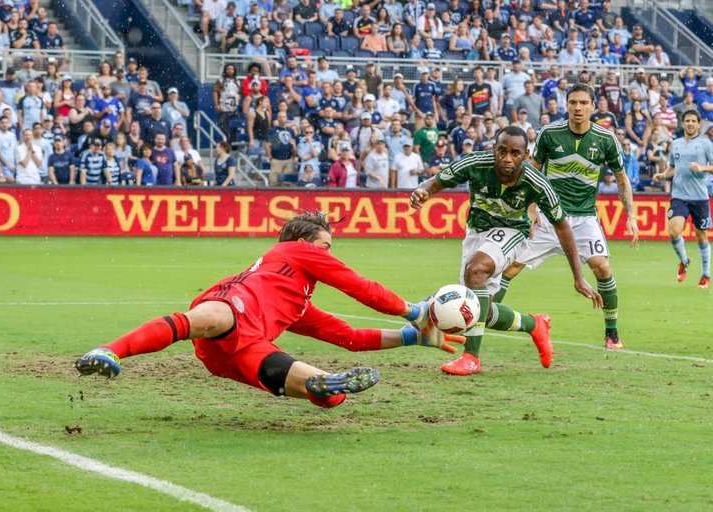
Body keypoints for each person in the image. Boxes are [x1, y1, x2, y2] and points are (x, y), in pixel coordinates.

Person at [75, 212, 462, 408]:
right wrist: (413, 310)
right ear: (301, 241)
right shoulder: (294, 251)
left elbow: (350, 337)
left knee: (327, 395)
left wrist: (415, 337)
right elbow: (361, 288)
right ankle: (108, 350)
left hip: (244, 349)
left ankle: (324, 387)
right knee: (213, 317)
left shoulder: (297, 304)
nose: (328, 254)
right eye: (324, 246)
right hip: (232, 308)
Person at [410, 126, 601, 375]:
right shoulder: (476, 163)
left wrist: (578, 276)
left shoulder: (537, 183)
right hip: (476, 231)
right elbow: (435, 181)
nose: (507, 158)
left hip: (512, 231)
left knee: (476, 269)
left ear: (526, 154)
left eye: (515, 153)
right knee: (480, 310)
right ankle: (534, 324)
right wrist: (422, 192)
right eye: (502, 151)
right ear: (494, 149)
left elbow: (563, 227)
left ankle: (471, 358)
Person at [496, 83, 639, 350]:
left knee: (603, 268)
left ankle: (612, 333)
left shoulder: (606, 139)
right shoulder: (550, 134)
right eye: (573, 102)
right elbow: (531, 171)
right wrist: (529, 210)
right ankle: (483, 316)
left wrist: (630, 215)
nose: (577, 107)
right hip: (549, 216)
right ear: (566, 105)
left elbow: (621, 179)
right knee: (509, 267)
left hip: (584, 219)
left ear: (593, 107)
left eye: (583, 103)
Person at [652, 110, 713, 289]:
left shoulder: (706, 144)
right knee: (673, 230)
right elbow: (673, 167)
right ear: (683, 123)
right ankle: (684, 261)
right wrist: (663, 175)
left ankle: (705, 274)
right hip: (679, 195)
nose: (690, 124)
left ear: (699, 124)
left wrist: (701, 168)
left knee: (701, 237)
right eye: (687, 121)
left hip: (700, 197)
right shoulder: (676, 144)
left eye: (694, 121)